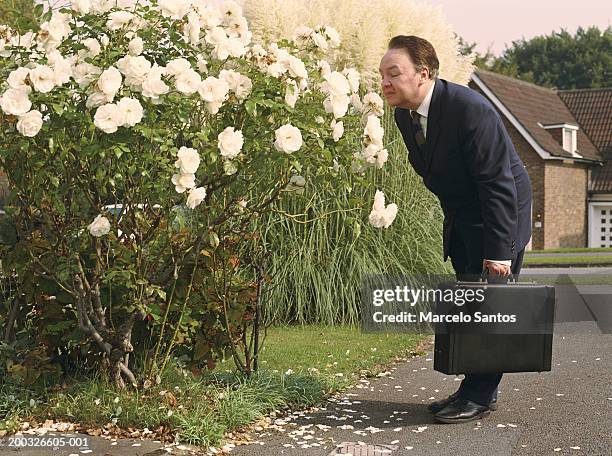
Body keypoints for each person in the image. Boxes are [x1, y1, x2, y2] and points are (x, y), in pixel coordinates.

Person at [379, 35, 532, 424]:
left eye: (393, 73)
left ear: (424, 73)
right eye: (381, 75)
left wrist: (499, 250)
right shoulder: (404, 115)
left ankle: (478, 394)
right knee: (471, 301)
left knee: (489, 305)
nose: (385, 82)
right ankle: (478, 387)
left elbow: (497, 183)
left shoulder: (469, 109)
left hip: (499, 210)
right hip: (465, 214)